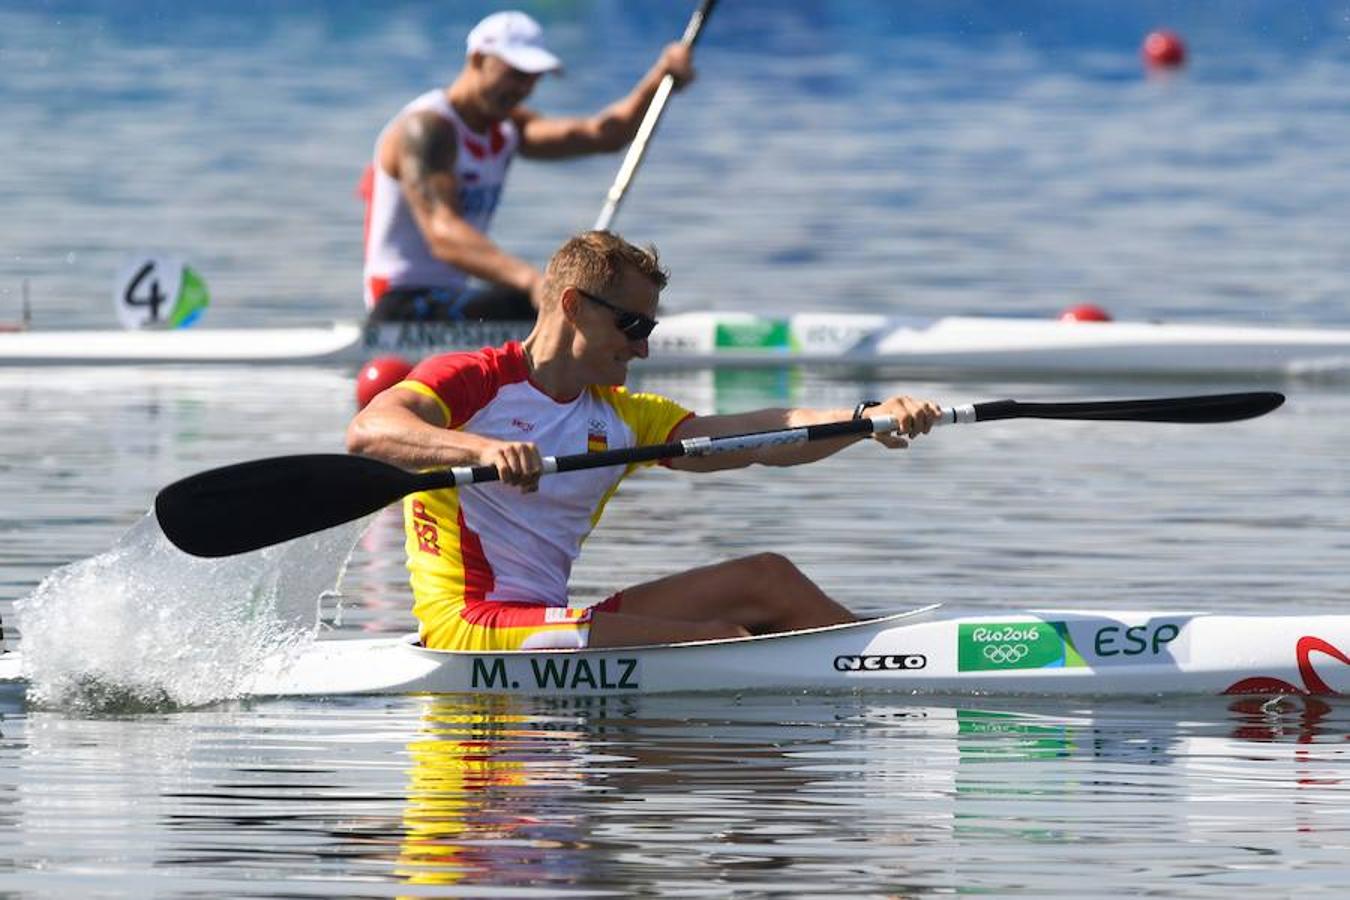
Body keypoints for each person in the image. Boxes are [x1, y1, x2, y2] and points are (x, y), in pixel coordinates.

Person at [347, 231, 941, 651]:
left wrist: (868, 418)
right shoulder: (473, 380)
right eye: (632, 326)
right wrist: (481, 450)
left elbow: (760, 436)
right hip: (471, 628)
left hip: (549, 622)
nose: (643, 348)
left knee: (768, 578)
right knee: (721, 645)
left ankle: (881, 655)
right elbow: (371, 431)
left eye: (650, 328)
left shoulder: (624, 416)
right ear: (574, 307)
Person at [362, 10, 696, 323]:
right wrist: (533, 281)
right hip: (399, 306)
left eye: (534, 78)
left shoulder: (508, 127)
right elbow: (442, 234)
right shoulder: (427, 129)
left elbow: (602, 135)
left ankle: (638, 324)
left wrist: (659, 78)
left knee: (579, 300)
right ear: (477, 59)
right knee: (558, 302)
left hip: (451, 297)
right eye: (516, 74)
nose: (525, 89)